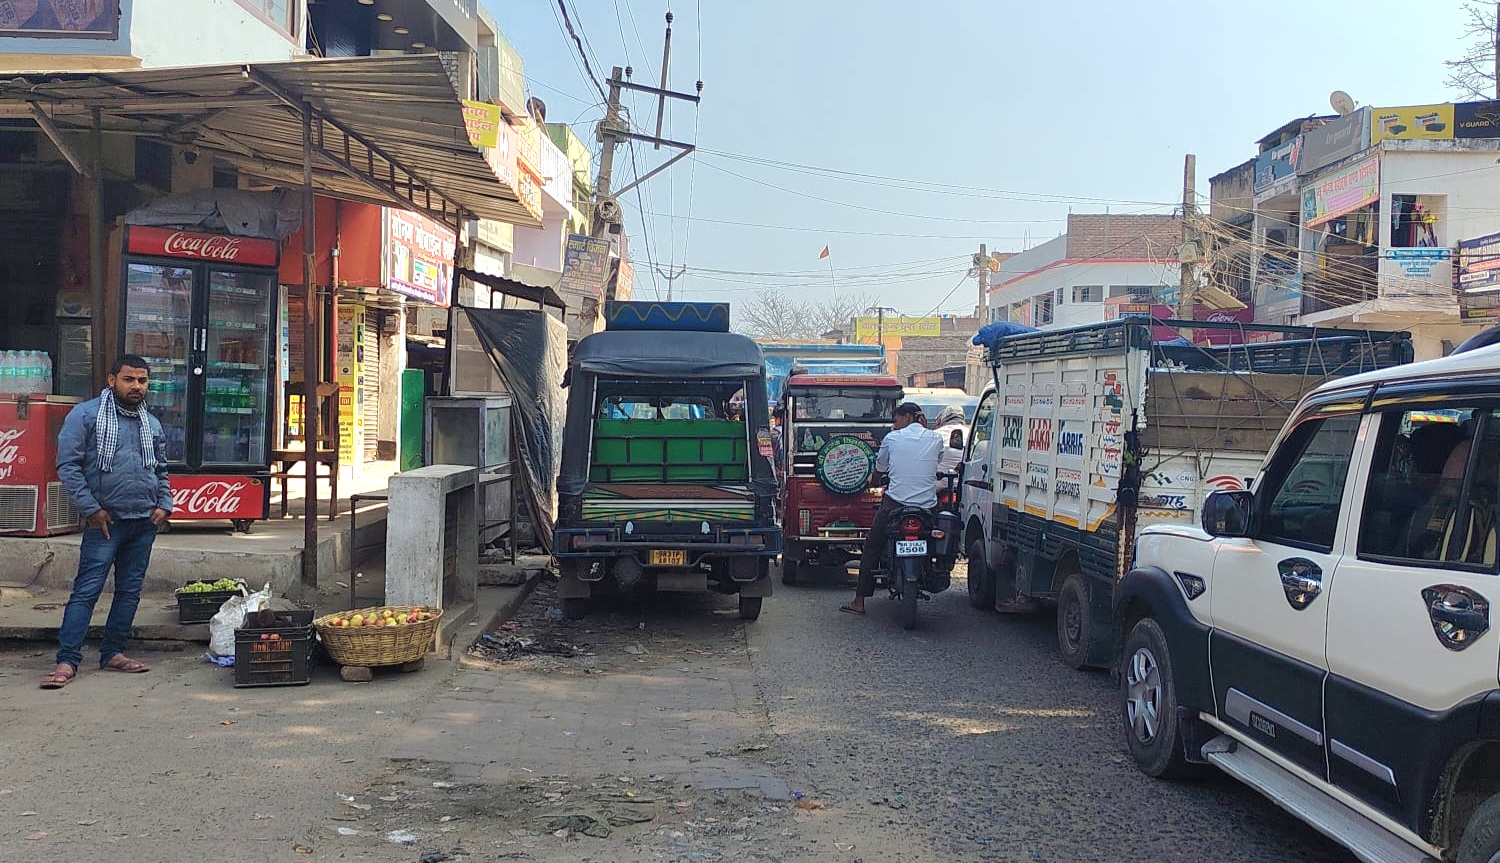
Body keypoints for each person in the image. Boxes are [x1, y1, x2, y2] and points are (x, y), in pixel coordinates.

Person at [41, 355, 172, 689]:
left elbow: (161, 469)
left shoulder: (151, 424)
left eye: (142, 381)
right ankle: (67, 661)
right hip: (105, 522)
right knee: (86, 591)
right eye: (129, 379)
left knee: (129, 591)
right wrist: (90, 508)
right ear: (112, 380)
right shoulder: (85, 416)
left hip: (143, 521)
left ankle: (113, 652)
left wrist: (164, 504)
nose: (136, 387)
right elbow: (67, 465)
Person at [840, 402, 945, 615]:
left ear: (907, 417)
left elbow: (880, 469)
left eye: (896, 420)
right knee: (940, 536)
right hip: (927, 506)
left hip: (895, 504)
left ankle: (859, 602)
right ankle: (939, 567)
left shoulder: (892, 438)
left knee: (872, 547)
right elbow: (938, 462)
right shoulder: (936, 438)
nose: (894, 425)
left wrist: (873, 482)